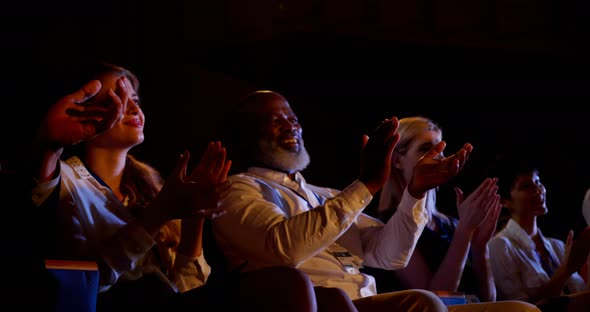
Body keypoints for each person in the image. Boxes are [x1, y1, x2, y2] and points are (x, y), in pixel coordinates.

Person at [30, 62, 324, 312]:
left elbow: (187, 286)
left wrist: (195, 218)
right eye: (115, 98)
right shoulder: (68, 179)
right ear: (82, 110)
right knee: (287, 285)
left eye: (135, 98)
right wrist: (49, 147)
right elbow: (86, 283)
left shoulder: (151, 187)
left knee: (326, 295)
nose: (132, 106)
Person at [211, 89, 480, 312]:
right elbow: (284, 249)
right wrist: (366, 185)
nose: (290, 126)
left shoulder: (325, 195)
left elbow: (390, 255)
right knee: (422, 303)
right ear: (248, 135)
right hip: (320, 304)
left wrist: (415, 193)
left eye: (292, 118)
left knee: (516, 309)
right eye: (275, 120)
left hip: (363, 301)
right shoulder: (238, 190)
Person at [370, 116, 539, 311]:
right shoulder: (387, 225)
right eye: (425, 149)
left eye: (441, 149)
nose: (439, 157)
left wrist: (479, 244)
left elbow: (489, 297)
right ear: (398, 160)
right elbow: (432, 301)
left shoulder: (448, 223)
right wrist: (465, 232)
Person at [488, 155, 590, 312]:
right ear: (504, 201)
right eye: (526, 186)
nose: (537, 189)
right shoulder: (500, 246)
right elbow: (522, 308)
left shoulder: (557, 246)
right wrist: (565, 270)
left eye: (538, 182)